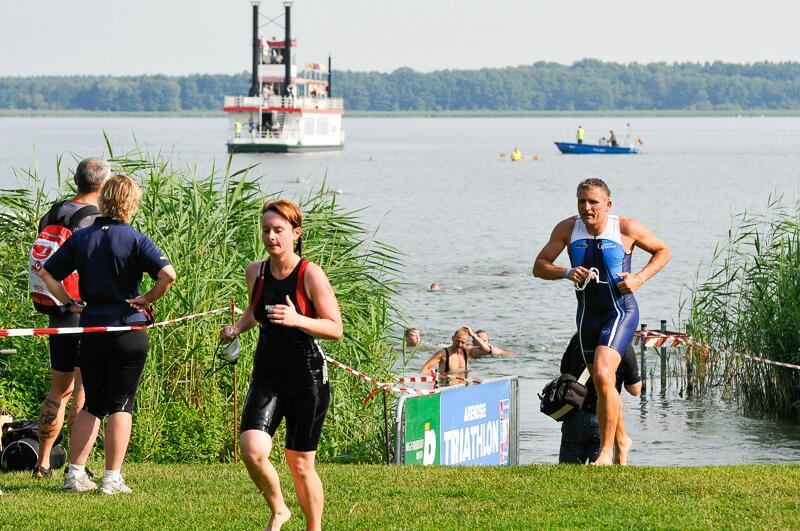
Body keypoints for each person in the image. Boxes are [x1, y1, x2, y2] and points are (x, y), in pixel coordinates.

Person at [40, 174, 176, 493]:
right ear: (132, 203)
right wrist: (147, 299)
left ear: (102, 200)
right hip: (128, 327)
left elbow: (47, 273)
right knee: (122, 403)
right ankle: (112, 478)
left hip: (92, 327)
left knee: (93, 403)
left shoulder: (82, 237)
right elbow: (167, 275)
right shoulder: (135, 239)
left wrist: (69, 302)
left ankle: (75, 474)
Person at [220, 199, 342, 531]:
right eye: (266, 230)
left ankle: (313, 528)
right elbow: (255, 309)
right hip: (267, 374)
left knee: (300, 463)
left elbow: (335, 328)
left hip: (307, 377)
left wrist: (297, 319)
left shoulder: (310, 274)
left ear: (295, 233)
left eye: (278, 230)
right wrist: (237, 328)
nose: (271, 237)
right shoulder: (256, 272)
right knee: (251, 449)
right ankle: (279, 510)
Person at [533, 178, 670, 466]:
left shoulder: (626, 228)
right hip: (586, 317)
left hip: (620, 311)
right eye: (581, 201)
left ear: (608, 204)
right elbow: (539, 266)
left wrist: (639, 278)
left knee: (604, 373)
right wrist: (566, 272)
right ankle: (621, 439)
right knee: (601, 381)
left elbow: (663, 251)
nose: (587, 207)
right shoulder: (567, 229)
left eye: (593, 202)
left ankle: (605, 453)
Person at [32, 157, 110, 480]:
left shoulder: (52, 212)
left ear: (76, 180)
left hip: (57, 309)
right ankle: (77, 464)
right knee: (83, 389)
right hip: (82, 309)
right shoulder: (93, 219)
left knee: (58, 389)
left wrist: (62, 299)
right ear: (103, 185)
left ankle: (42, 463)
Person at [558, 334, 641, 465]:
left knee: (567, 470)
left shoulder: (579, 338)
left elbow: (564, 373)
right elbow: (635, 390)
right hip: (604, 419)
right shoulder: (622, 344)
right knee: (601, 472)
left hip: (574, 415)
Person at [421, 327, 490, 383]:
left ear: (466, 342)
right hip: (447, 388)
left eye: (463, 342)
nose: (459, 345)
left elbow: (486, 349)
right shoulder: (443, 354)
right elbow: (424, 369)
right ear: (453, 338)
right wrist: (433, 379)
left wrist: (474, 335)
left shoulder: (467, 351)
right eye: (458, 341)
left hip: (463, 387)